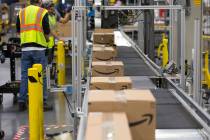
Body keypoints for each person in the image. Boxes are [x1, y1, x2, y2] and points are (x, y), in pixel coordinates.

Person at [16, 0, 53, 111]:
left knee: (25, 76)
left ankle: (22, 101)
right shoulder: (42, 12)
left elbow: (18, 30)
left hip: (25, 48)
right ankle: (43, 101)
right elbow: (46, 30)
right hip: (39, 48)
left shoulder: (21, 13)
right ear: (39, 1)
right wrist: (47, 40)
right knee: (42, 75)